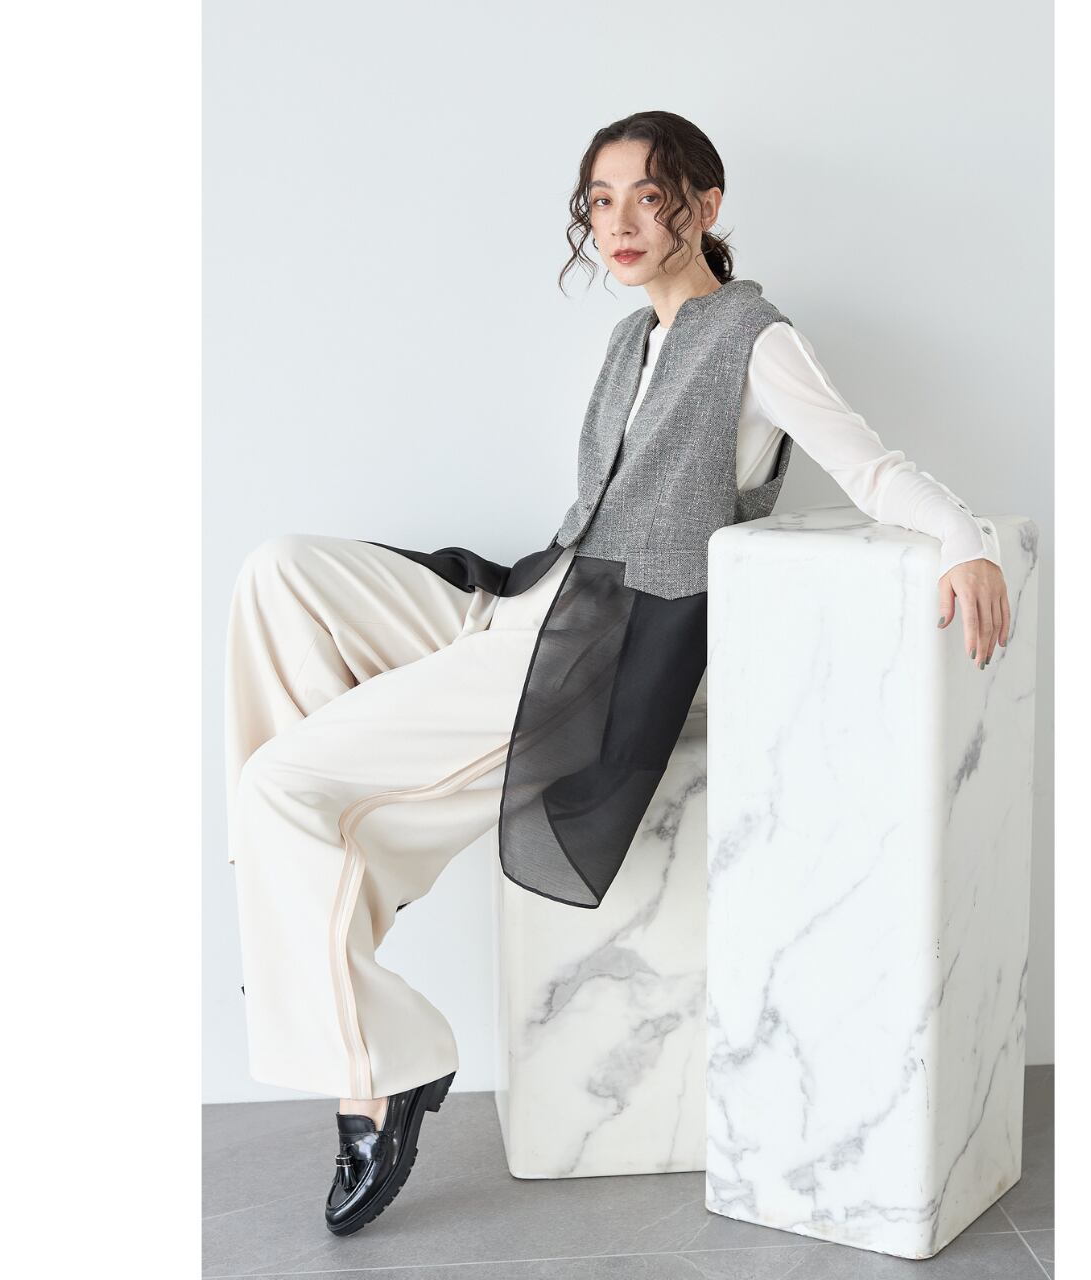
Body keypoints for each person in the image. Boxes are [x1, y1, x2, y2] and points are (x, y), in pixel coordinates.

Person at [224, 109, 1010, 1236]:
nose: (621, 222)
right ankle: (313, 905)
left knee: (276, 784)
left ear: (706, 203)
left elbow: (868, 464)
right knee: (278, 575)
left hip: (599, 651)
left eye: (650, 195)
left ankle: (378, 1060)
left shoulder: (754, 338)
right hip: (532, 600)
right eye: (602, 201)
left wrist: (966, 540)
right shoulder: (627, 340)